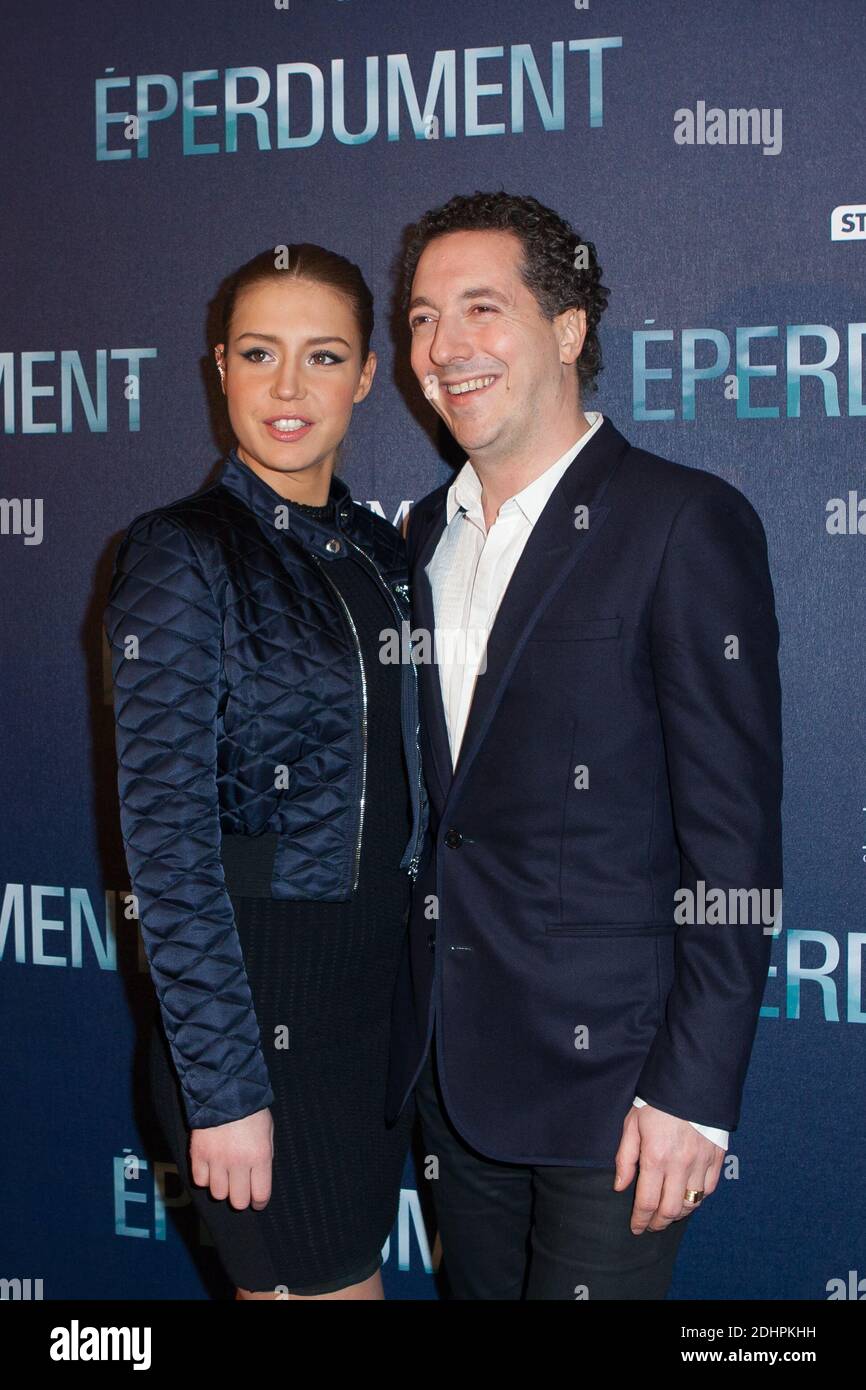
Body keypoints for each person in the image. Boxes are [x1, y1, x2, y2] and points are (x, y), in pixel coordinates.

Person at [385, 191, 783, 1299]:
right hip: (449, 1072)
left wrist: (693, 1090)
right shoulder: (411, 539)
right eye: (419, 317)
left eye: (479, 307)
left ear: (567, 330)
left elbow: (733, 845)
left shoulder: (678, 521)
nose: (442, 347)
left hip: (615, 1088)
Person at [104, 243, 426, 1300]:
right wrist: (227, 1089)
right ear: (219, 366)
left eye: (322, 355)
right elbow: (167, 841)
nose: (289, 389)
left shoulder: (382, 557)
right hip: (255, 1013)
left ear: (367, 373)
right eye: (259, 353)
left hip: (367, 1017)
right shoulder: (179, 551)